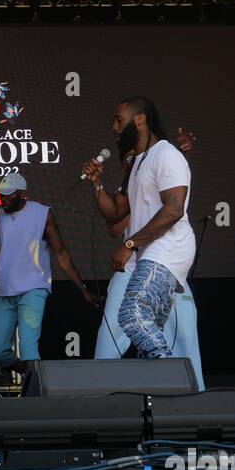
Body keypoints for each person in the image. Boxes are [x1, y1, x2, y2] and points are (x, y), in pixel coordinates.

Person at [87, 127, 204, 388]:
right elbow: (114, 227)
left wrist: (182, 155)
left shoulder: (162, 168)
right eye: (127, 160)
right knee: (108, 342)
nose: (132, 162)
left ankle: (195, 400)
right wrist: (97, 185)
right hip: (130, 268)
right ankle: (100, 400)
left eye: (135, 157)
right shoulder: (129, 188)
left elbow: (173, 198)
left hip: (166, 262)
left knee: (184, 339)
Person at [0, 172, 99, 374]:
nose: (4, 198)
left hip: (33, 287)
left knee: (28, 347)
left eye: (9, 194)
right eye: (2, 194)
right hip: (4, 291)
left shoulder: (43, 213)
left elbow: (61, 254)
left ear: (23, 194)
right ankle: (30, 376)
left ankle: (34, 395)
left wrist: (83, 289)